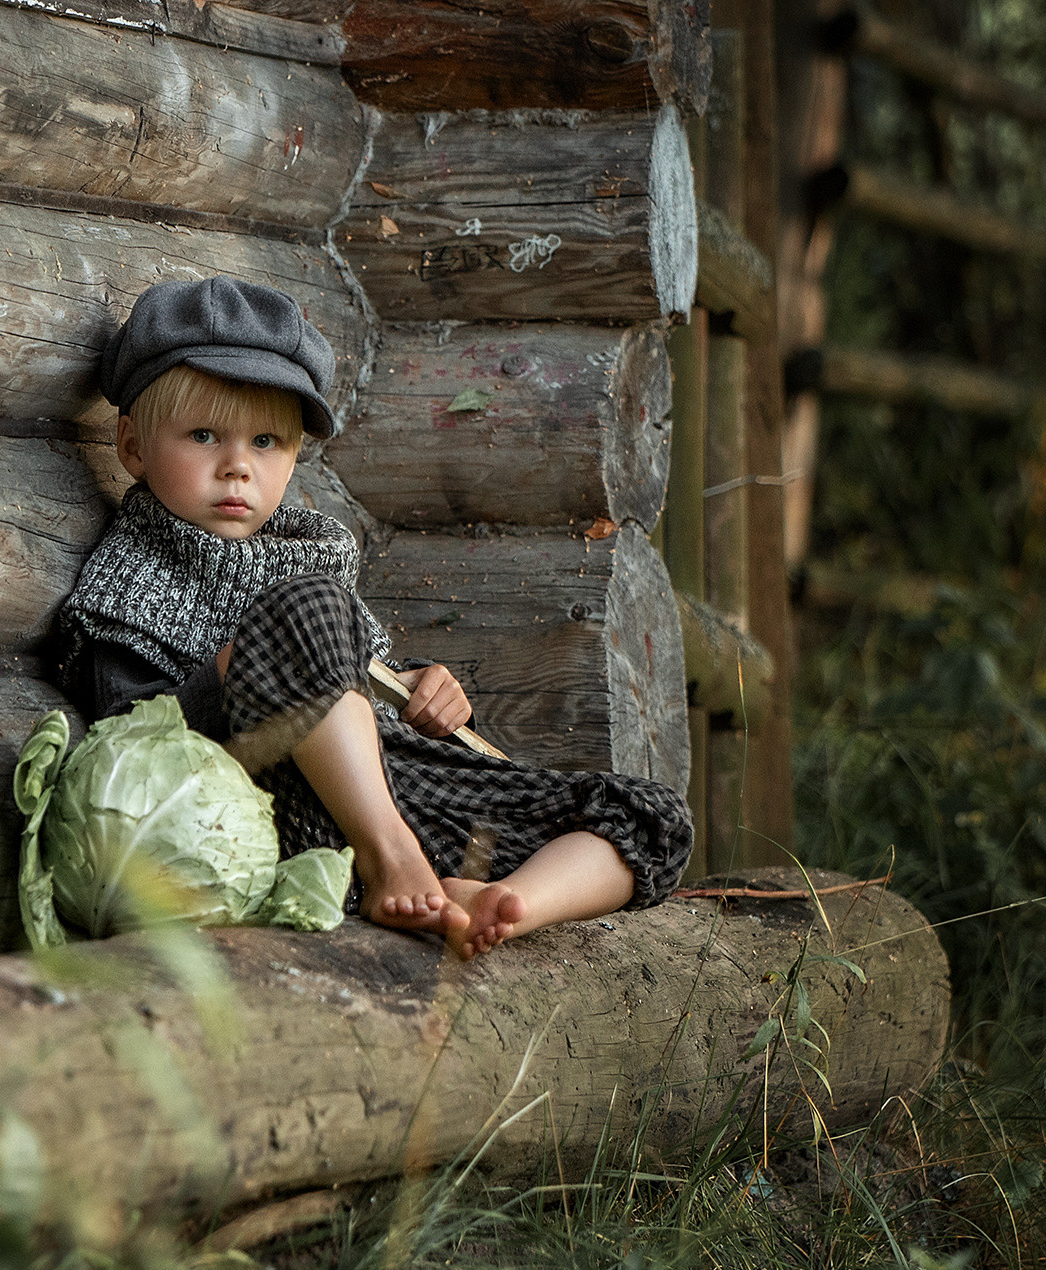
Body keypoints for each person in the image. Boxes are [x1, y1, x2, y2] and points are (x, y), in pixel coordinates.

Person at [51, 277, 692, 959]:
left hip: (405, 788)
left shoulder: (308, 554)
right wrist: (225, 675)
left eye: (266, 441)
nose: (237, 466)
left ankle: (504, 904)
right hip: (287, 813)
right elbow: (128, 746)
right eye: (204, 435)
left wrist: (423, 691)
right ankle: (390, 860)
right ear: (133, 448)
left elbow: (366, 686)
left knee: (650, 816)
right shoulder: (129, 586)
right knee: (306, 605)